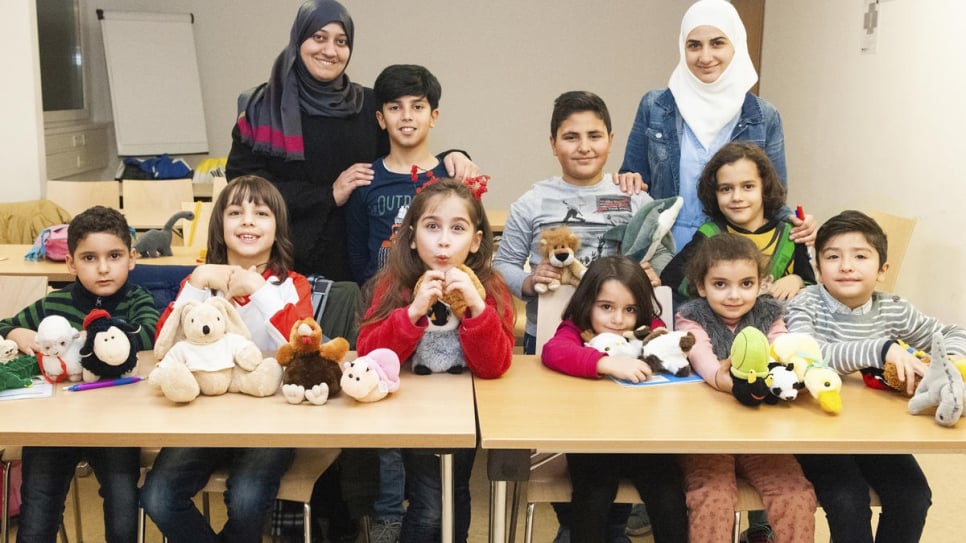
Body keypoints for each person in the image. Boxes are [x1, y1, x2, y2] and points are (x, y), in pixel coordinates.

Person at [493, 90, 668, 539]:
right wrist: (530, 282)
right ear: (553, 143)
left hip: (626, 346)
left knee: (619, 441)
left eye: (594, 135)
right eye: (571, 136)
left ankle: (606, 527)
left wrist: (652, 269)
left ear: (611, 139)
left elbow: (665, 255)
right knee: (563, 446)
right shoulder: (532, 202)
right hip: (553, 342)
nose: (584, 146)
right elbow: (503, 264)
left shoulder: (632, 197)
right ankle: (578, 526)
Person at [226, 0, 475, 282]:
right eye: (319, 38)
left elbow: (405, 150)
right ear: (299, 40)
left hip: (352, 267)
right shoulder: (262, 108)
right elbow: (242, 186)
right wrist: (327, 194)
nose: (330, 51)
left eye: (341, 41)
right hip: (281, 260)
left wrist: (454, 156)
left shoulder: (368, 105)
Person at [140, 176, 314, 543]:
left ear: (278, 227)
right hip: (203, 419)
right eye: (235, 212)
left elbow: (304, 345)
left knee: (248, 498)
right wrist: (196, 281)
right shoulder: (201, 283)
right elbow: (162, 347)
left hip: (272, 421)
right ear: (220, 225)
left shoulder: (292, 285)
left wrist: (259, 290)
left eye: (260, 213)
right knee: (157, 495)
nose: (247, 221)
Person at [786, 210, 963, 542]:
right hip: (817, 435)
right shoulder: (804, 303)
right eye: (833, 256)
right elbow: (807, 354)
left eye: (860, 256)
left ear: (882, 270)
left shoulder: (893, 308)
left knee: (913, 495)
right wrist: (880, 349)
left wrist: (949, 363)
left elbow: (952, 332)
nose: (847, 266)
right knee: (847, 499)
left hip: (877, 434)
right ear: (818, 268)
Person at [357, 178, 514, 542]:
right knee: (429, 507)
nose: (444, 240)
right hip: (415, 415)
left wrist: (476, 308)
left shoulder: (489, 286)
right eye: (432, 227)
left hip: (466, 416)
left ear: (475, 241)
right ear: (411, 236)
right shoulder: (393, 284)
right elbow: (369, 355)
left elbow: (495, 366)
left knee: (455, 496)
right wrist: (411, 312)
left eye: (457, 229)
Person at [0, 206, 159, 543]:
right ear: (71, 263)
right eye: (89, 258)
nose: (103, 268)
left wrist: (87, 343)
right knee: (38, 515)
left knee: (122, 512)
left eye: (114, 255)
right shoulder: (53, 305)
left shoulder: (136, 301)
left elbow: (149, 335)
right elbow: (5, 325)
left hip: (115, 426)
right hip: (54, 426)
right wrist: (20, 335)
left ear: (131, 258)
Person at [345, 62, 453, 543]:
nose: (406, 117)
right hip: (383, 310)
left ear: (434, 115)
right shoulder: (366, 181)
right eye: (394, 107)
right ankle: (389, 513)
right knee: (384, 411)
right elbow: (354, 255)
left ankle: (431, 512)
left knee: (432, 412)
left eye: (417, 107)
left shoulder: (449, 176)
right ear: (380, 118)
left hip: (440, 314)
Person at [620, 0, 813, 252]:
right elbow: (632, 180)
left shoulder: (764, 116)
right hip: (662, 248)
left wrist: (798, 224)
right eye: (694, 45)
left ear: (736, 46)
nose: (705, 56)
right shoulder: (655, 106)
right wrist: (627, 181)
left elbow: (773, 199)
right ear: (682, 48)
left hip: (734, 255)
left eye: (717, 43)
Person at [675, 234, 817, 543]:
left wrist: (795, 369)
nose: (734, 296)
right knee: (713, 498)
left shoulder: (769, 313)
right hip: (707, 436)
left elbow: (781, 345)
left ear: (761, 284)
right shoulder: (690, 316)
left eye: (746, 284)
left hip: (760, 434)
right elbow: (700, 354)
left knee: (795, 494)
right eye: (720, 284)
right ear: (702, 286)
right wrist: (719, 378)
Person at [541, 255, 689, 543]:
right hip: (593, 440)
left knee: (669, 495)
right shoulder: (576, 329)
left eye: (630, 309)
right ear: (587, 303)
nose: (618, 319)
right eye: (606, 307)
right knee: (593, 496)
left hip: (647, 441)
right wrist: (606, 363)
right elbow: (554, 351)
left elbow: (670, 349)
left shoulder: (650, 329)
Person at [661, 141, 815, 304]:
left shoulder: (791, 236)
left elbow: (814, 291)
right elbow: (670, 281)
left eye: (748, 186)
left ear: (765, 188)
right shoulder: (709, 234)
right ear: (715, 193)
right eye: (726, 189)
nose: (737, 197)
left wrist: (797, 280)